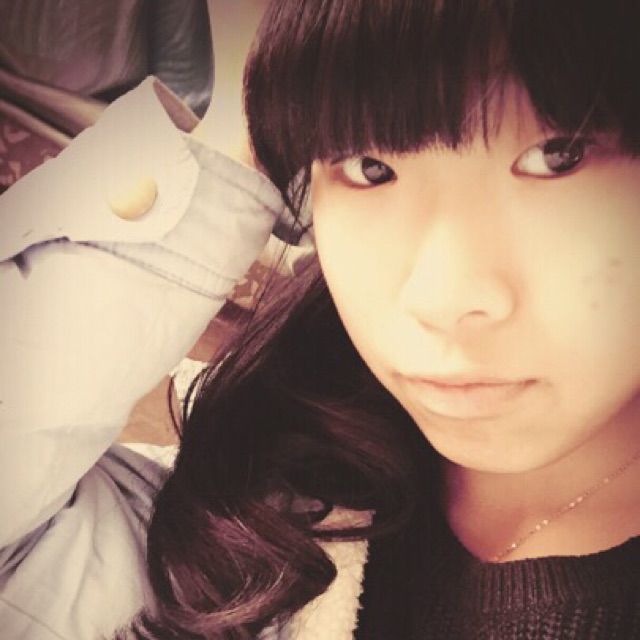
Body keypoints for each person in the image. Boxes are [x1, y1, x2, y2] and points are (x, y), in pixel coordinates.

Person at [1, 1, 639, 638]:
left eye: (560, 156)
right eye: (369, 167)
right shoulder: (264, 485)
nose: (438, 299)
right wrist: (251, 138)